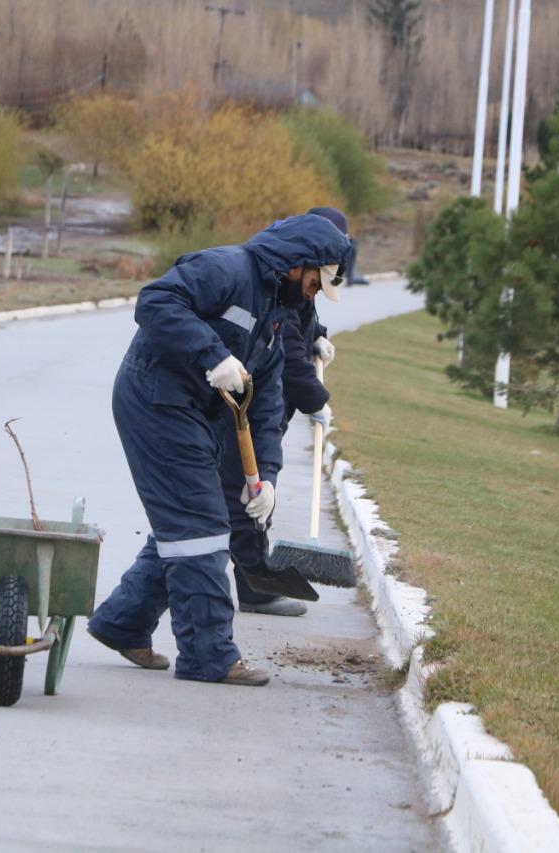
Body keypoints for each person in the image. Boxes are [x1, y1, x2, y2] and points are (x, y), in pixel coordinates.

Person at [86, 214, 350, 687]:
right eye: (315, 283)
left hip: (200, 413)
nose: (313, 293)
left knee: (199, 522)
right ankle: (209, 656)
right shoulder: (228, 268)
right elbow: (155, 300)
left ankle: (123, 621)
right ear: (297, 264)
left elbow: (266, 406)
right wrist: (214, 354)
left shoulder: (276, 312)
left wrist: (265, 476)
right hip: (155, 398)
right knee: (200, 525)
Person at [230, 206, 346, 618]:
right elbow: (290, 357)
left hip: (263, 404)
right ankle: (254, 586)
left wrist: (320, 338)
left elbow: (304, 322)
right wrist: (318, 400)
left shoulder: (297, 279)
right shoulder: (278, 279)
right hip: (255, 403)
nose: (316, 288)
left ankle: (246, 581)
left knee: (239, 496)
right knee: (245, 494)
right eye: (319, 279)